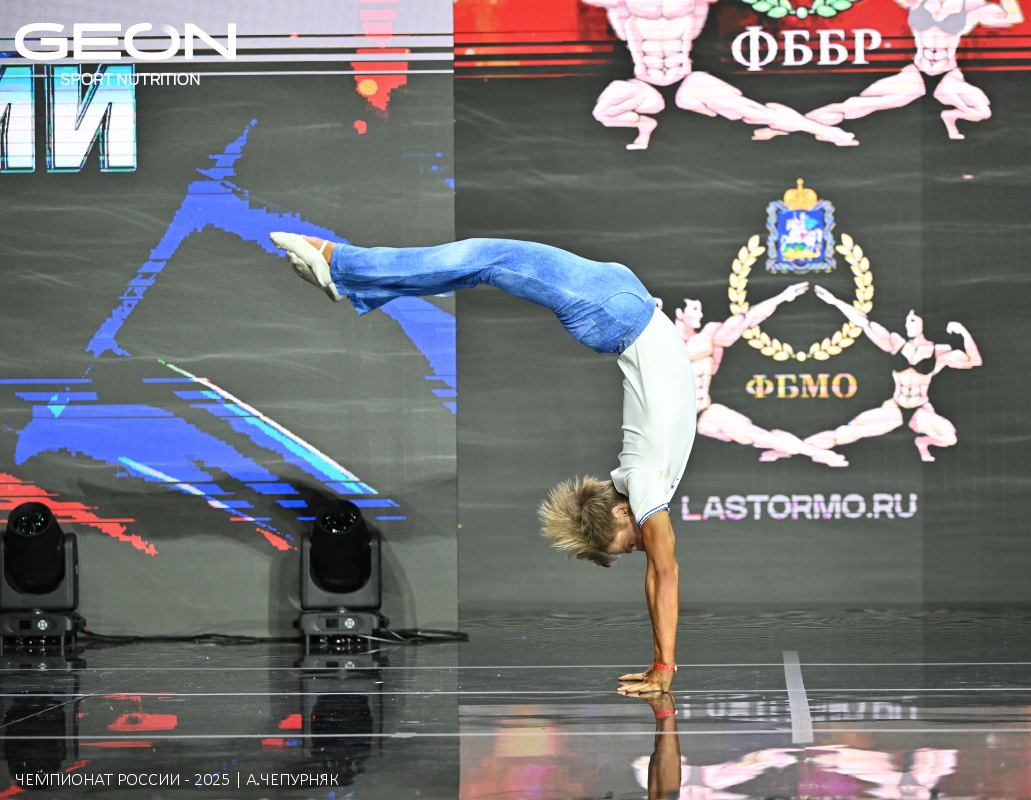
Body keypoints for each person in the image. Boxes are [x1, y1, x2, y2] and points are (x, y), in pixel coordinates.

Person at [269, 232, 694, 695]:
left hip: (620, 311)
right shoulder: (645, 483)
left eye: (629, 546)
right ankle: (345, 270)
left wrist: (661, 662)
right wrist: (663, 666)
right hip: (619, 308)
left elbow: (659, 573)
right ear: (618, 510)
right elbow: (664, 573)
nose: (641, 547)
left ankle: (349, 276)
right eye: (629, 545)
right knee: (484, 261)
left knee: (486, 262)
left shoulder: (643, 481)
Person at [583, 0, 856, 149]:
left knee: (754, 111)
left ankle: (824, 130)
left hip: (686, 79)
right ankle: (644, 125)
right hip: (644, 83)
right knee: (603, 113)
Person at [803, 286, 982, 463]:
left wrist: (963, 332)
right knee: (846, 432)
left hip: (920, 410)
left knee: (950, 438)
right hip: (895, 408)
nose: (907, 325)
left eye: (912, 320)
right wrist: (835, 302)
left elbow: (974, 361)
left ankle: (922, 443)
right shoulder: (896, 344)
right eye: (907, 321)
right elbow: (864, 322)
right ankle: (798, 448)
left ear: (924, 322)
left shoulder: (939, 352)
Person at [804, 0, 1023, 140]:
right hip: (917, 73)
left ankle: (950, 117)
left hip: (948, 76)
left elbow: (1013, 17)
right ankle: (799, 124)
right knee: (856, 106)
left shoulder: (971, 5)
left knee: (983, 112)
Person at [674, 291, 847, 466]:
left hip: (701, 413)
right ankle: (807, 452)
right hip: (670, 421)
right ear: (679, 313)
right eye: (694, 309)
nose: (700, 314)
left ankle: (815, 453)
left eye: (700, 309)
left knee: (755, 434)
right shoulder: (661, 342)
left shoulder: (709, 335)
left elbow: (748, 319)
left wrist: (781, 297)